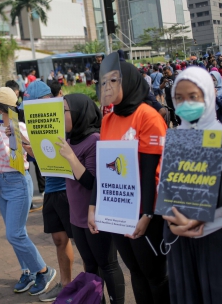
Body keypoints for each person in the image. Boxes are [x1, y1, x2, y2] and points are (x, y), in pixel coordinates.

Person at [162, 67, 222, 304]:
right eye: (179, 98)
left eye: (193, 97)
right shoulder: (176, 137)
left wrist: (198, 220)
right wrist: (173, 221)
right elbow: (168, 190)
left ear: (207, 96)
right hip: (181, 240)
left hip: (216, 237)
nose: (185, 103)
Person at [88, 56, 170, 304]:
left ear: (130, 81)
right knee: (135, 270)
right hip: (118, 209)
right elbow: (104, 168)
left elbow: (150, 169)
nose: (108, 87)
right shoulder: (108, 118)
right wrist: (93, 206)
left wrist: (146, 215)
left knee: (155, 274)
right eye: (104, 82)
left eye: (114, 80)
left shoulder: (148, 116)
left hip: (147, 210)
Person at [0, 88, 56, 296]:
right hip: (1, 183)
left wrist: (17, 139)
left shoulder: (20, 127)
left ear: (0, 107)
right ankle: (28, 271)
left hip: (17, 182)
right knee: (15, 234)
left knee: (14, 234)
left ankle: (43, 270)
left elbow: (36, 153)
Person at [57, 93, 126, 304]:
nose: (61, 115)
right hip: (76, 215)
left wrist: (70, 156)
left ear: (78, 112)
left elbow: (93, 182)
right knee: (89, 264)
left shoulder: (95, 140)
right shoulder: (68, 140)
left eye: (64, 111)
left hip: (95, 214)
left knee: (107, 264)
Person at [22, 82, 73, 302]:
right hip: (51, 189)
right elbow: (41, 158)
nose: (36, 109)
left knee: (87, 244)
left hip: (71, 188)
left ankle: (92, 287)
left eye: (38, 103)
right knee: (59, 239)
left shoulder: (66, 118)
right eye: (30, 106)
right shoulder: (34, 123)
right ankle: (65, 284)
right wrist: (25, 146)